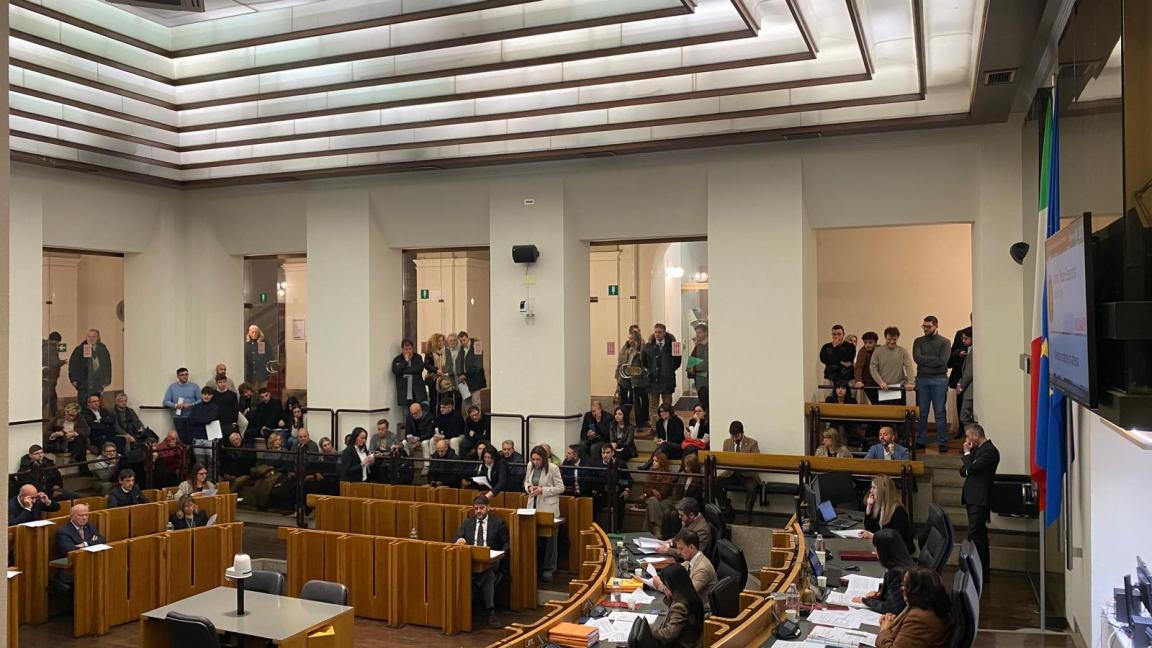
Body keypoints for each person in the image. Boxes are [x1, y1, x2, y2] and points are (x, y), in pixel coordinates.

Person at [452, 496, 509, 629]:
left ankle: (474, 600)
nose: (479, 511)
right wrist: (459, 540)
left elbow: (506, 544)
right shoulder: (467, 523)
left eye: (481, 508)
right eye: (476, 508)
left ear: (488, 507)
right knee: (488, 576)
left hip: (492, 561)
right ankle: (491, 611)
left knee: (488, 570)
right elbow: (456, 537)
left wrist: (500, 555)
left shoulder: (497, 523)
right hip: (472, 562)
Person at [875, 566, 951, 648]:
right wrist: (893, 623)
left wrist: (884, 630)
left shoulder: (919, 618)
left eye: (906, 585)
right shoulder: (926, 607)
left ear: (917, 589)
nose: (902, 588)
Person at [960, 422, 998, 582]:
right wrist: (969, 464)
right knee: (978, 536)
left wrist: (967, 454)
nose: (967, 440)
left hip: (980, 498)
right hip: (972, 497)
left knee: (974, 534)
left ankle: (975, 568)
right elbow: (964, 470)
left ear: (976, 435)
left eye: (968, 436)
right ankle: (980, 569)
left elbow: (971, 469)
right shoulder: (978, 450)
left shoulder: (989, 451)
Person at [524, 445, 564, 581]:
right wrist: (529, 488)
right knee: (533, 537)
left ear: (544, 459)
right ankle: (535, 566)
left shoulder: (553, 468)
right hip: (533, 505)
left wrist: (543, 490)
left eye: (538, 460)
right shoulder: (530, 466)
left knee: (550, 540)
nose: (535, 462)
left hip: (548, 508)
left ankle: (549, 569)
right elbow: (526, 481)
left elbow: (561, 488)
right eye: (533, 459)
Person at [913, 316, 951, 452]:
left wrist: (926, 362)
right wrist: (934, 361)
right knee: (922, 412)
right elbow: (917, 358)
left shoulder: (945, 342)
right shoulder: (918, 341)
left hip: (939, 380)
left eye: (928, 327)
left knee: (939, 412)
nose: (925, 329)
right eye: (924, 326)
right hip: (922, 379)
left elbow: (943, 361)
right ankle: (920, 440)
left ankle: (942, 442)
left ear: (936, 326)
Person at [857, 529, 916, 615]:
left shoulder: (898, 573)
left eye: (877, 548)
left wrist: (865, 601)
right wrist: (880, 594)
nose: (875, 552)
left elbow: (892, 608)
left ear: (884, 551)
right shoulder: (905, 562)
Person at [651, 562, 705, 648]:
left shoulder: (680, 607)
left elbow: (669, 634)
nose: (664, 588)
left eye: (665, 585)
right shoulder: (691, 597)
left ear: (673, 585)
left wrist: (649, 631)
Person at [717, 421, 762, 523]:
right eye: (732, 435)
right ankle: (726, 507)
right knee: (715, 481)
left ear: (742, 433)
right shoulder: (727, 442)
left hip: (747, 474)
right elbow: (724, 458)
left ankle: (748, 513)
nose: (734, 438)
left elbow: (756, 460)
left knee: (752, 487)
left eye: (736, 435)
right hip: (731, 473)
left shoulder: (752, 443)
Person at [580, 443, 631, 531]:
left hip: (616, 494)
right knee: (592, 502)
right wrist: (594, 490)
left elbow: (628, 479)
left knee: (620, 503)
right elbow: (592, 479)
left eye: (607, 453)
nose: (605, 455)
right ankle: (594, 529)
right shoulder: (596, 464)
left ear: (612, 453)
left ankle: (617, 530)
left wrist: (626, 490)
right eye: (603, 453)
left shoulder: (620, 464)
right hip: (601, 494)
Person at [861, 476, 914, 553]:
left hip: (901, 552)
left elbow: (895, 538)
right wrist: (869, 507)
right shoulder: (879, 507)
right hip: (887, 548)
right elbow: (869, 528)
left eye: (874, 488)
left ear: (883, 491)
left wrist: (873, 536)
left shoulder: (898, 511)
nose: (871, 491)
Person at [643, 323, 682, 423]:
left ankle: (667, 426)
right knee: (653, 406)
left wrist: (668, 370)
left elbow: (677, 362)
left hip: (667, 380)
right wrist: (651, 370)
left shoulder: (674, 345)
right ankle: (655, 427)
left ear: (664, 333)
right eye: (655, 332)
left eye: (660, 332)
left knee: (667, 406)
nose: (657, 334)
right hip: (653, 380)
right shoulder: (648, 346)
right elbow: (644, 362)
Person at [869, 327, 915, 407]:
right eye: (889, 339)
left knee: (899, 412)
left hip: (899, 388)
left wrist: (911, 383)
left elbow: (909, 367)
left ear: (898, 338)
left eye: (894, 339)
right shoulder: (878, 351)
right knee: (885, 412)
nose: (891, 342)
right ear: (885, 337)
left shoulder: (902, 351)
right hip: (883, 388)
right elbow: (873, 368)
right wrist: (880, 382)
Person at [673, 529, 717, 612]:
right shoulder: (690, 561)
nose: (678, 552)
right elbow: (675, 572)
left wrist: (660, 586)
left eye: (681, 549)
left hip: (701, 611)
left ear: (691, 547)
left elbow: (686, 595)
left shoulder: (702, 568)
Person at [618, 325, 649, 426]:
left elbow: (644, 362)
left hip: (638, 380)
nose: (631, 340)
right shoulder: (625, 348)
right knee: (626, 401)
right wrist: (618, 377)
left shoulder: (642, 347)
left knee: (638, 401)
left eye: (636, 334)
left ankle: (641, 422)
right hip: (625, 378)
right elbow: (620, 362)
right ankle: (625, 421)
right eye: (630, 337)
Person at [68, 328, 111, 401]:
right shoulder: (80, 349)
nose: (90, 339)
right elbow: (73, 365)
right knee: (83, 402)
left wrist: (107, 379)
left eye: (93, 337)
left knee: (96, 402)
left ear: (98, 338)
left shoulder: (102, 348)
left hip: (98, 382)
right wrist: (73, 379)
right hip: (83, 382)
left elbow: (107, 365)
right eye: (88, 336)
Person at [641, 452, 676, 537]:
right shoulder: (650, 473)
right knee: (653, 501)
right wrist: (653, 491)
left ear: (661, 462)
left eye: (656, 461)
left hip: (665, 499)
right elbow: (645, 488)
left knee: (652, 506)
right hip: (651, 498)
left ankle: (646, 532)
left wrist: (649, 491)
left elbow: (662, 493)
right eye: (653, 461)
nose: (653, 463)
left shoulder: (668, 475)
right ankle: (657, 529)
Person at [163, 368, 200, 442]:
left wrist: (191, 404)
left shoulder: (194, 386)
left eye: (186, 374)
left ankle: (192, 450)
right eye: (182, 375)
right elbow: (166, 401)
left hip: (192, 417)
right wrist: (176, 405)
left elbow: (201, 399)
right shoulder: (172, 387)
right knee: (182, 439)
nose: (185, 376)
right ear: (178, 376)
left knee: (192, 439)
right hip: (178, 418)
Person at [391, 338, 428, 408]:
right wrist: (405, 361)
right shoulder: (397, 359)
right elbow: (396, 371)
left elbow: (419, 369)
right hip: (404, 393)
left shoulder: (418, 357)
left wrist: (403, 371)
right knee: (406, 413)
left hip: (418, 392)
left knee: (419, 412)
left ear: (412, 349)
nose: (408, 351)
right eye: (406, 349)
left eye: (410, 349)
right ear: (402, 349)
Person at [458, 331, 487, 409]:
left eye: (464, 340)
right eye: (460, 341)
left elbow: (477, 365)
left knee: (475, 402)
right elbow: (460, 363)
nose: (462, 342)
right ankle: (467, 417)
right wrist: (460, 375)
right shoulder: (461, 348)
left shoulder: (477, 346)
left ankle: (477, 417)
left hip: (475, 379)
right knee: (466, 404)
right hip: (465, 381)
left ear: (468, 338)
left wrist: (465, 375)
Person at [42, 331, 67, 416]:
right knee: (46, 398)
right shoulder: (51, 348)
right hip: (50, 378)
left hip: (45, 376)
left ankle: (55, 414)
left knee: (53, 398)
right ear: (56, 341)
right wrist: (63, 362)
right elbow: (55, 363)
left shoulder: (44, 346)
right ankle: (39, 414)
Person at [687, 324, 709, 411]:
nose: (697, 335)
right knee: (702, 403)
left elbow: (707, 362)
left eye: (699, 333)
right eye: (696, 333)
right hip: (698, 379)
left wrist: (694, 368)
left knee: (706, 404)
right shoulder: (698, 345)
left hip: (705, 381)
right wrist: (690, 368)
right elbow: (692, 359)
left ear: (706, 333)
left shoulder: (708, 346)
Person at [854, 331, 881, 404]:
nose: (867, 345)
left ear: (875, 342)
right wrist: (858, 381)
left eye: (870, 342)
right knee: (876, 403)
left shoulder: (880, 349)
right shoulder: (862, 351)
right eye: (865, 342)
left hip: (881, 381)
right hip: (868, 382)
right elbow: (858, 367)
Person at [955, 330, 975, 426]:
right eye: (962, 338)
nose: (963, 340)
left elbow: (969, 372)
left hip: (970, 388)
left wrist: (961, 386)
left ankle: (973, 434)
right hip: (968, 387)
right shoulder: (969, 350)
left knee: (964, 417)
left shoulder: (974, 351)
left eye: (966, 338)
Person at [212, 373, 241, 438]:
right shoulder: (212, 394)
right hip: (216, 422)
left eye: (224, 382)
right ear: (216, 383)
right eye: (220, 382)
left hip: (229, 422)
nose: (222, 384)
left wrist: (234, 422)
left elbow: (235, 409)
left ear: (226, 382)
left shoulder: (232, 394)